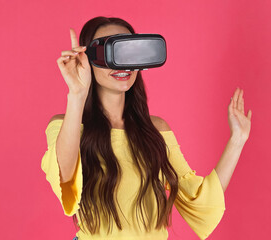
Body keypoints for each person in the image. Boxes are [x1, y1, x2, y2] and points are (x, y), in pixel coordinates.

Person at [41, 16, 252, 240]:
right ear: (87, 58)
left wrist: (237, 139)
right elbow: (64, 175)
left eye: (130, 51)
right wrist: (77, 93)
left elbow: (199, 199)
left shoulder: (156, 130)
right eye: (110, 51)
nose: (121, 63)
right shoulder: (66, 125)